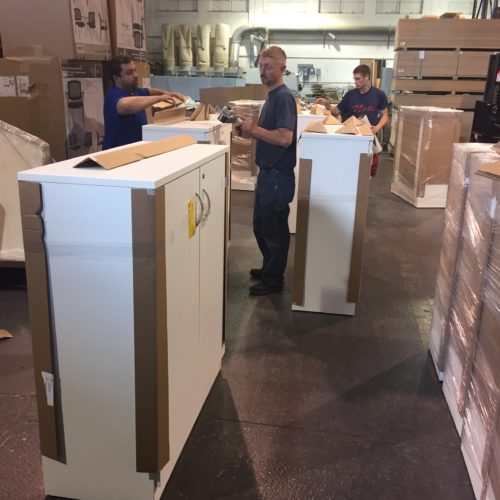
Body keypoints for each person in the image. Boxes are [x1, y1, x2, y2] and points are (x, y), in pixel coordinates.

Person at [238, 46, 297, 296]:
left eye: (268, 66)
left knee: (274, 231)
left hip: (277, 177)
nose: (263, 70)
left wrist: (254, 130)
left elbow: (285, 138)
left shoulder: (283, 97)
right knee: (261, 227)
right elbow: (269, 135)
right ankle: (268, 268)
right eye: (260, 65)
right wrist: (249, 131)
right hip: (268, 175)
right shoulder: (271, 97)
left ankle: (274, 280)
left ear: (282, 69)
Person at [316, 64, 388, 176]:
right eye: (354, 79)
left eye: (358, 79)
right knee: (352, 170)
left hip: (369, 137)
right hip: (352, 139)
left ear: (367, 77)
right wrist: (327, 104)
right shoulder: (350, 95)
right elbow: (336, 111)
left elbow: (385, 115)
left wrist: (377, 127)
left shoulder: (379, 95)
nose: (355, 82)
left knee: (368, 171)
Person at [102, 56, 186, 150]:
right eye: (129, 73)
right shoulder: (113, 95)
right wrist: (159, 98)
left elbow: (149, 91)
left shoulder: (135, 91)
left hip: (135, 151)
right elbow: (124, 105)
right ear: (116, 78)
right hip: (115, 156)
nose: (136, 75)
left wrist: (169, 94)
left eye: (135, 71)